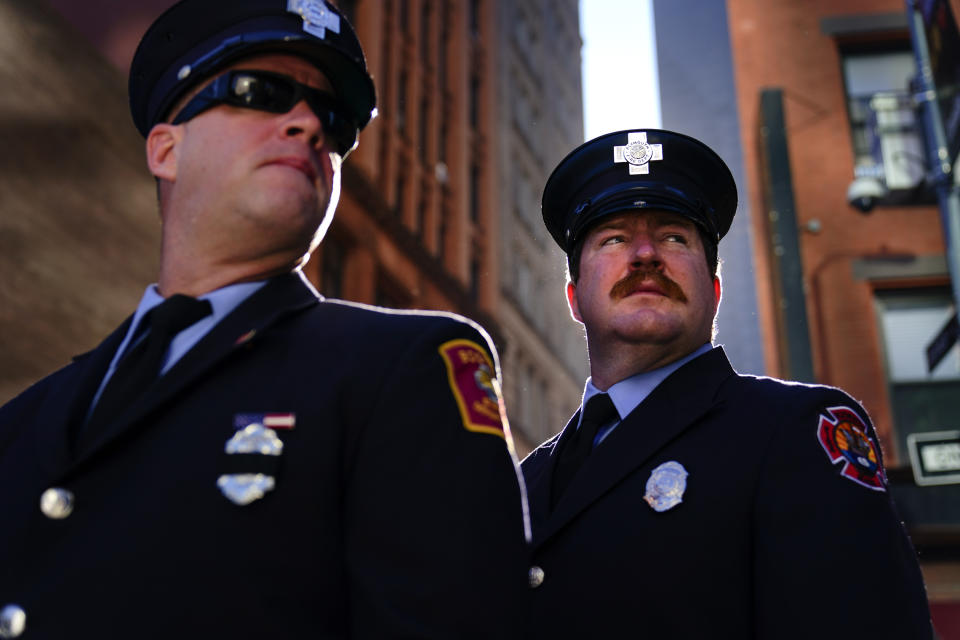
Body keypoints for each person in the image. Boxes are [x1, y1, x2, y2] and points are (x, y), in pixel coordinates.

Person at [0, 1, 529, 638]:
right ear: (166, 148)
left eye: (333, 121)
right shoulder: (25, 421)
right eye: (262, 92)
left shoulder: (405, 368)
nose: (308, 124)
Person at [521, 129, 932, 638]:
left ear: (714, 291)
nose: (646, 254)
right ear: (574, 298)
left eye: (675, 237)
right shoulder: (524, 483)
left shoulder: (793, 430)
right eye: (614, 239)